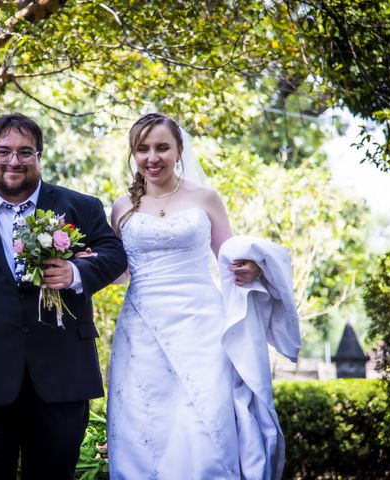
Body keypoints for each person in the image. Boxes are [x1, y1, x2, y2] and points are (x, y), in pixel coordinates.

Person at [0, 113, 127, 480]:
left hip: (62, 373)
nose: (14, 161)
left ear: (39, 157)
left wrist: (76, 273)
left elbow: (114, 255)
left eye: (25, 152)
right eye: (4, 151)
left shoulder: (80, 207)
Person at [105, 113, 301, 479]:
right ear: (133, 154)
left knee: (202, 419)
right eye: (142, 149)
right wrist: (85, 263)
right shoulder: (121, 207)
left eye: (162, 147)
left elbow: (228, 256)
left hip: (202, 325)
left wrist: (254, 269)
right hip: (141, 331)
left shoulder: (205, 197)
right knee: (145, 422)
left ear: (179, 150)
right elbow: (122, 272)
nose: (153, 157)